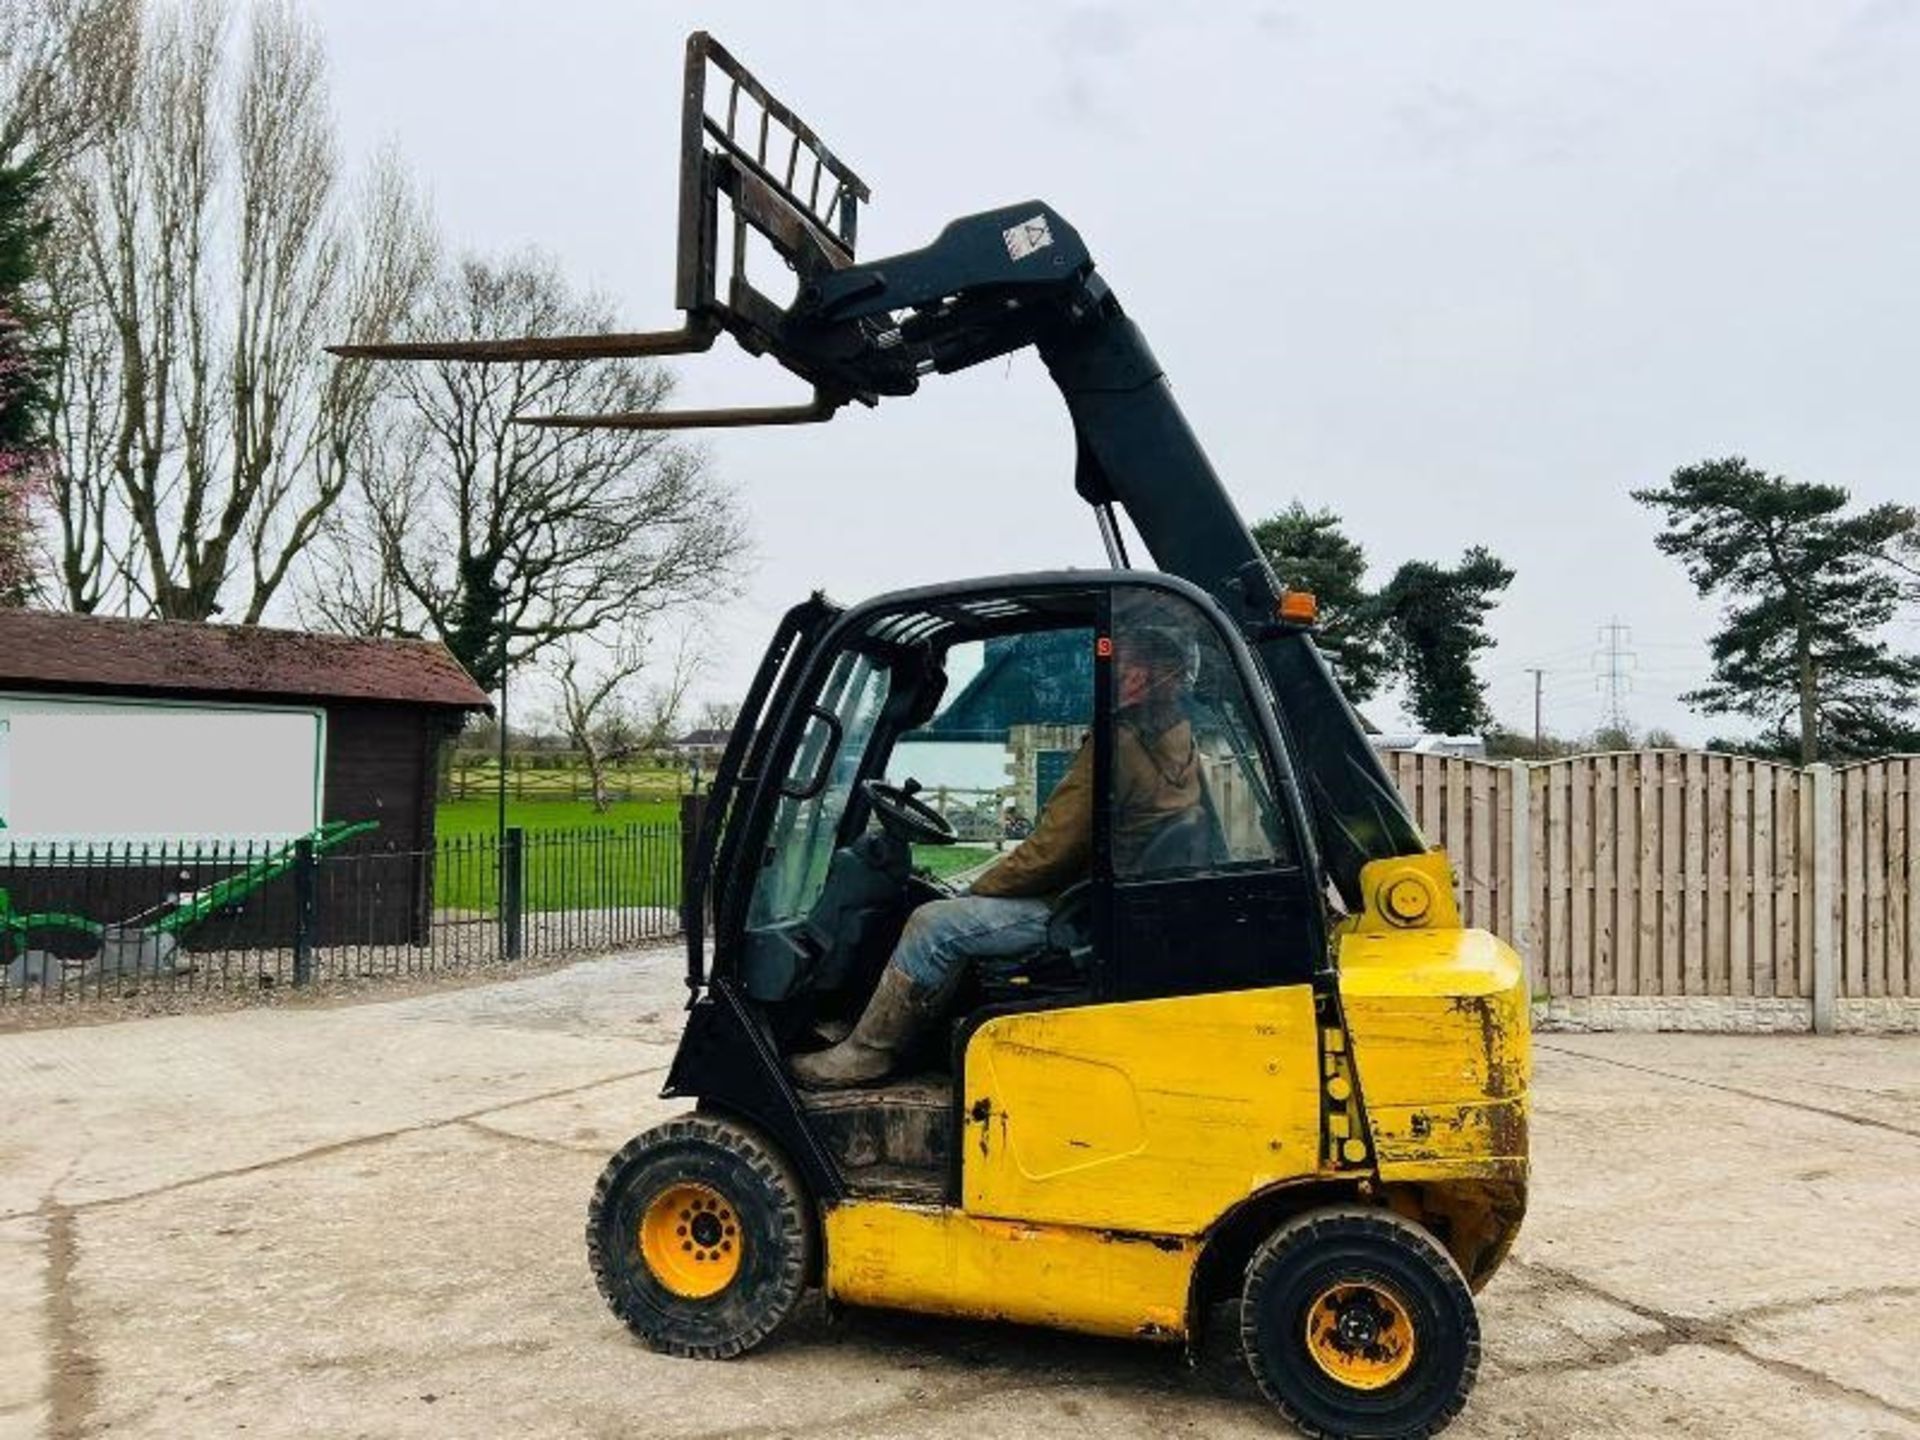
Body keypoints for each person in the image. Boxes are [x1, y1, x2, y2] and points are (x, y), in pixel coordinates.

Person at [790, 625, 1203, 1090]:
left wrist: (977, 887)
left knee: (933, 923)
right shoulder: (1177, 745)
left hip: (1072, 911)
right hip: (1099, 901)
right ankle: (887, 1028)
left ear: (1143, 679)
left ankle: (869, 1053)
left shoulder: (1117, 746)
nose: (1110, 677)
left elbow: (1053, 850)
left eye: (1123, 667)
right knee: (942, 907)